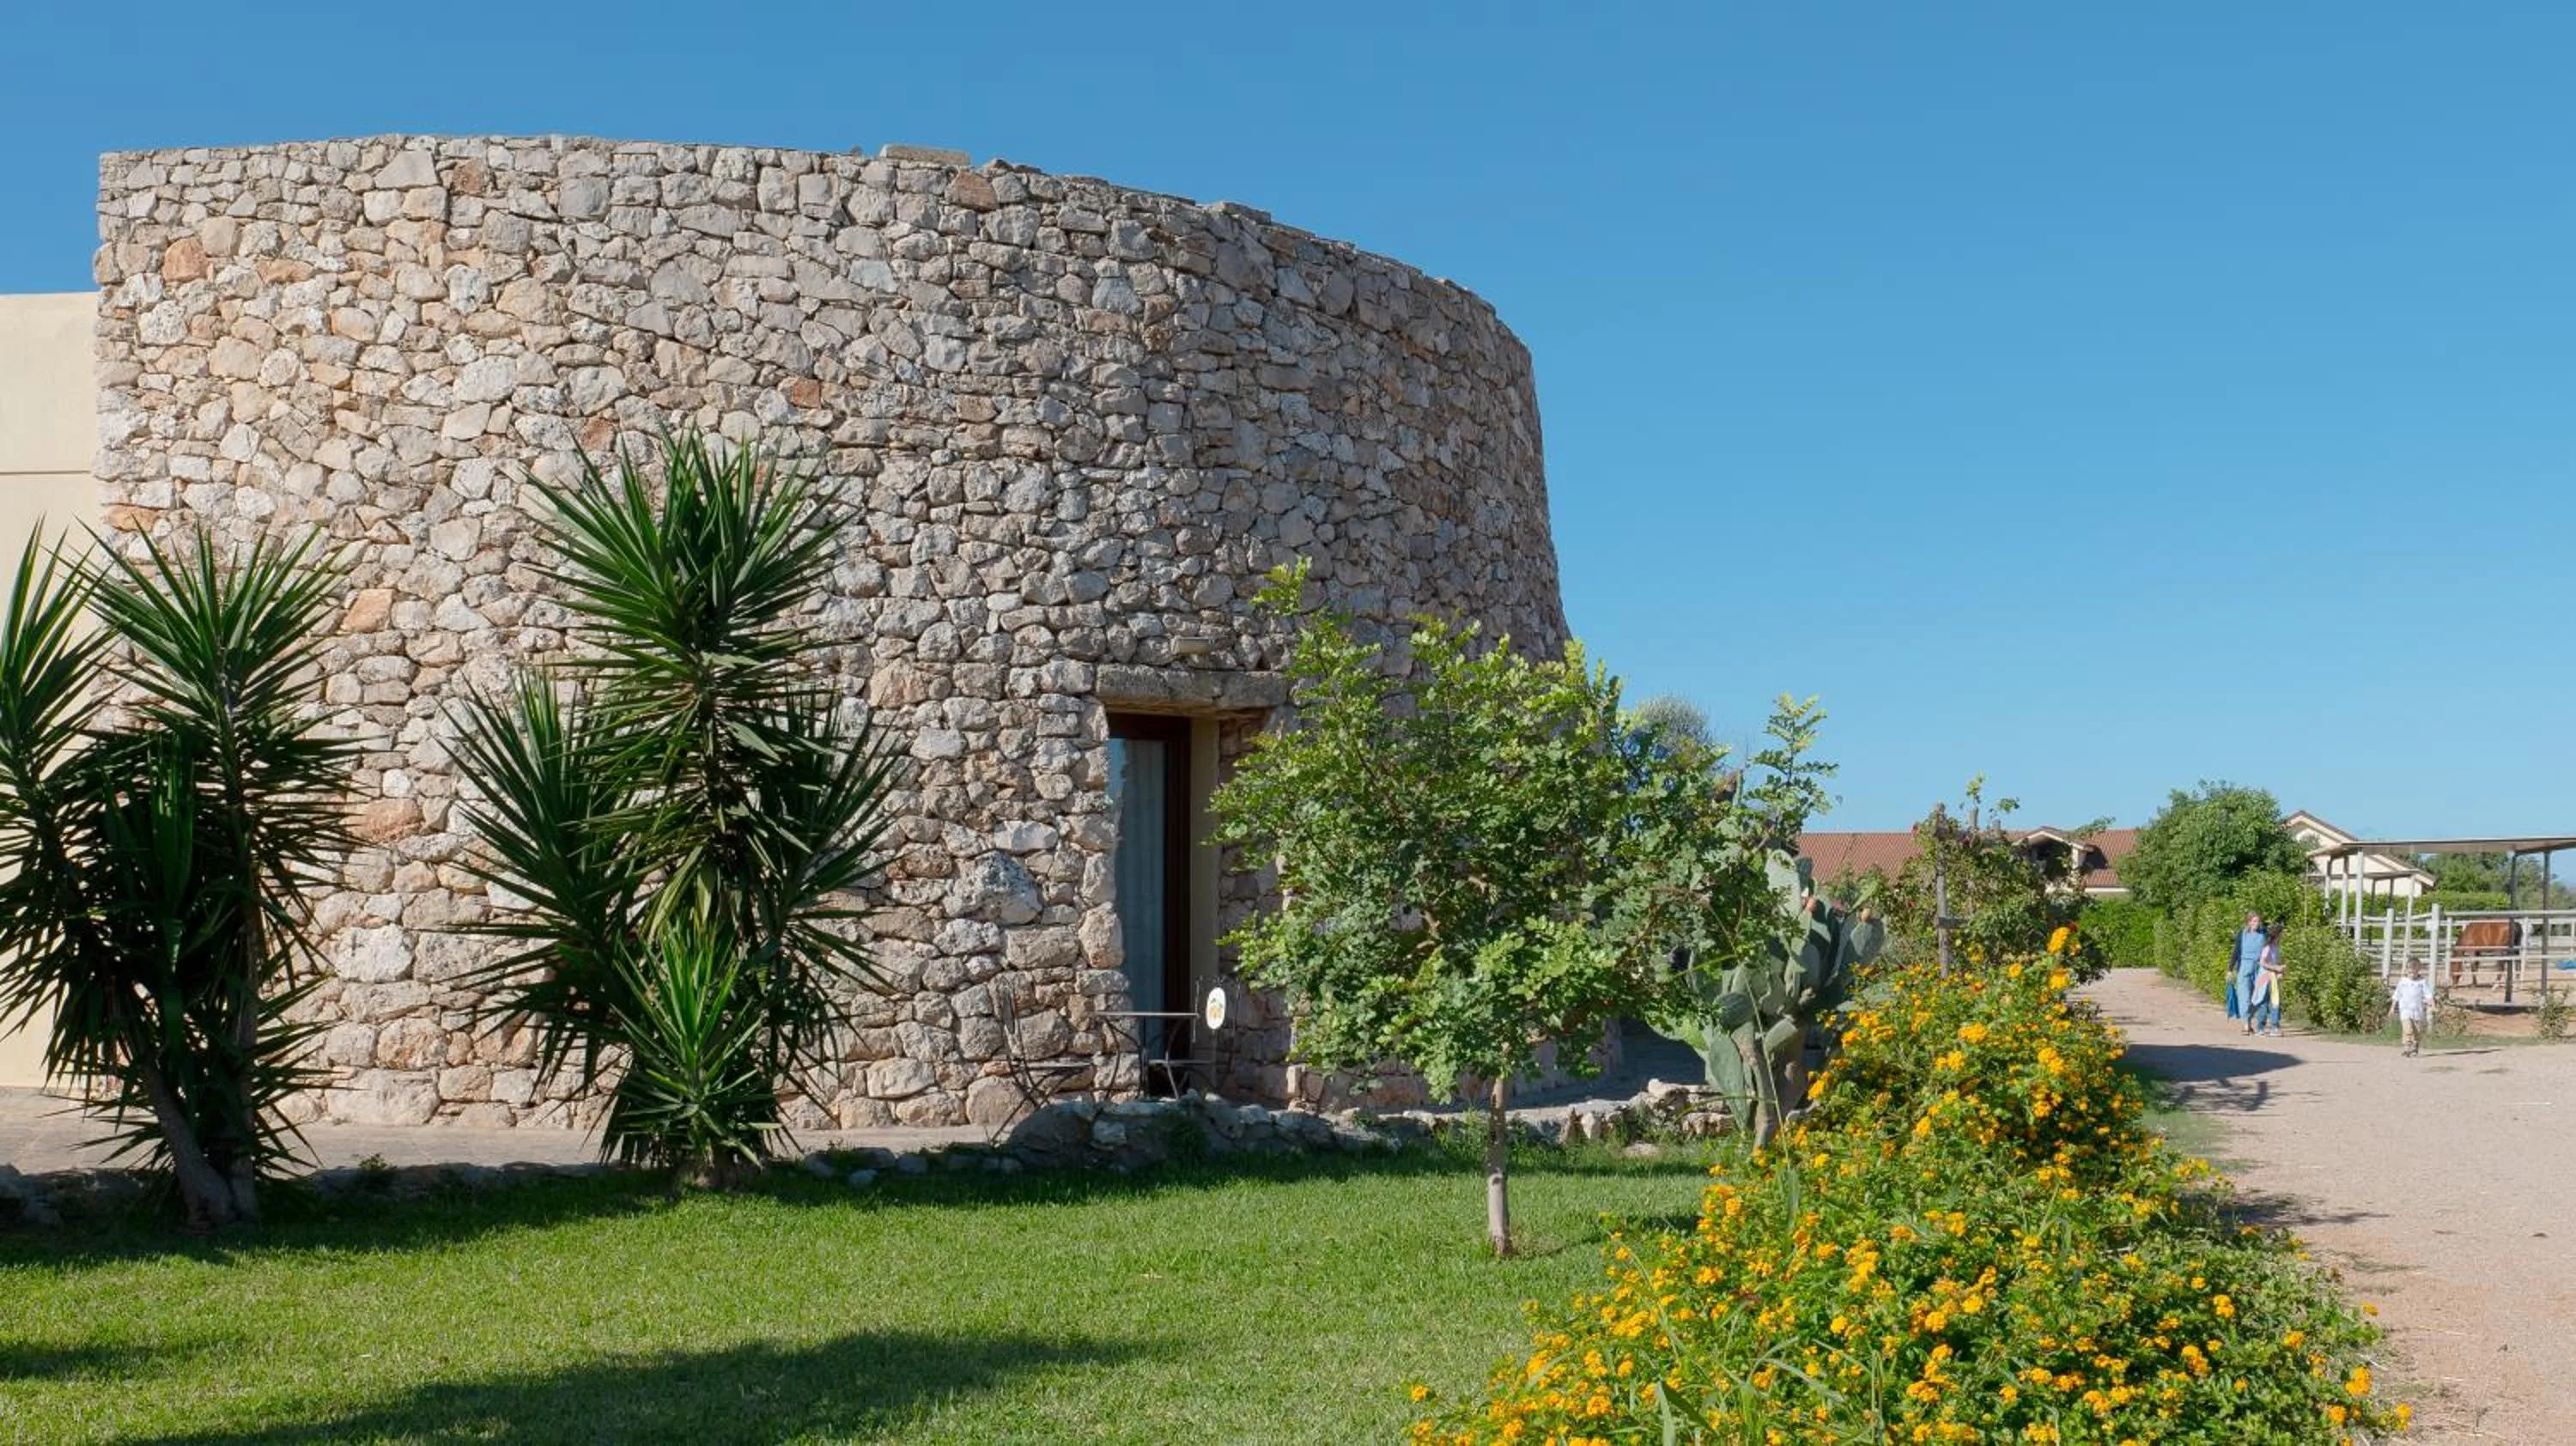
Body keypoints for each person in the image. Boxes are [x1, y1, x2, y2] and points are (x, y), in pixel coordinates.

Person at [2233, 913, 2268, 1034]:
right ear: (2248, 922)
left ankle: (2248, 1018)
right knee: (2244, 997)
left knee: (2258, 996)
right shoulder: (2242, 934)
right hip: (2244, 966)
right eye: (2253, 921)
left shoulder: (2264, 933)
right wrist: (2230, 969)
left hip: (2259, 968)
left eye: (2258, 921)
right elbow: (2236, 952)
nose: (2256, 924)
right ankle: (2246, 1025)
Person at [2249, 922, 2285, 1036]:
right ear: (2277, 935)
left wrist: (2279, 971)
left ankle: (2274, 1027)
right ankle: (2261, 1027)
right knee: (2263, 1002)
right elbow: (2263, 962)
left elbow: (2274, 962)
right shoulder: (2267, 947)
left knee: (2274, 1001)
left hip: (2272, 977)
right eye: (2281, 934)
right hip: (2265, 977)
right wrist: (2276, 968)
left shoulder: (2276, 948)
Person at [2391, 963, 2434, 1057]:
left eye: (2414, 972)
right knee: (2408, 1029)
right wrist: (2392, 1007)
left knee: (2417, 1031)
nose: (2412, 975)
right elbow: (2397, 995)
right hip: (2405, 1010)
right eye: (2410, 972)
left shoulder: (2422, 982)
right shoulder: (2403, 981)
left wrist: (2432, 1005)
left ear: (2418, 971)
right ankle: (2407, 1047)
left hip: (2417, 1011)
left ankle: (2415, 1046)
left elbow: (2428, 995)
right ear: (2407, 971)